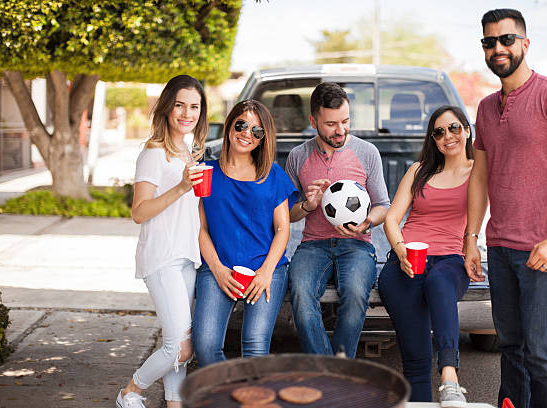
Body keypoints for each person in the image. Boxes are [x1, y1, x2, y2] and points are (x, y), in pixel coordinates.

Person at [464, 9, 547, 408]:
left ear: (525, 43)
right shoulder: (485, 108)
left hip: (544, 253)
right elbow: (480, 178)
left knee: (541, 357)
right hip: (500, 249)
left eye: (506, 39)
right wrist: (471, 239)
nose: (497, 48)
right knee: (512, 352)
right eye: (489, 41)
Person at [116, 75, 209, 408]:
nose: (187, 113)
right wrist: (182, 187)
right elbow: (139, 212)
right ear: (167, 107)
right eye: (180, 105)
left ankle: (174, 403)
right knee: (179, 348)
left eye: (194, 106)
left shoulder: (188, 151)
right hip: (161, 258)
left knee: (180, 342)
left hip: (186, 257)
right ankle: (131, 391)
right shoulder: (153, 152)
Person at [286, 82, 390, 358]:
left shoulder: (367, 153)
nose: (340, 130)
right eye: (331, 124)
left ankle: (338, 366)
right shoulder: (298, 157)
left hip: (357, 245)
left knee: (356, 293)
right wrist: (308, 205)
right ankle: (331, 371)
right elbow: (287, 214)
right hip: (313, 245)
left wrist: (366, 223)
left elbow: (383, 205)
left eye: (345, 121)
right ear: (313, 121)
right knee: (299, 292)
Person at [378, 106, 472, 407]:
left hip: (450, 260)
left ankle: (450, 377)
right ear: (433, 139)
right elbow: (392, 219)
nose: (448, 136)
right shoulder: (419, 171)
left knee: (440, 283)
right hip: (407, 262)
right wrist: (401, 250)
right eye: (439, 132)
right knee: (415, 358)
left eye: (454, 128)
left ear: (467, 130)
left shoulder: (479, 171)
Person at [191, 100, 298, 366]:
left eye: (257, 131)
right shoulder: (207, 172)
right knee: (204, 345)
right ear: (229, 126)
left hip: (266, 267)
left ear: (263, 139)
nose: (246, 133)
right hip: (218, 266)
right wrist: (216, 269)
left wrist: (265, 273)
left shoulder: (272, 174)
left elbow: (283, 228)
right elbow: (201, 228)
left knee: (254, 344)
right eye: (241, 125)